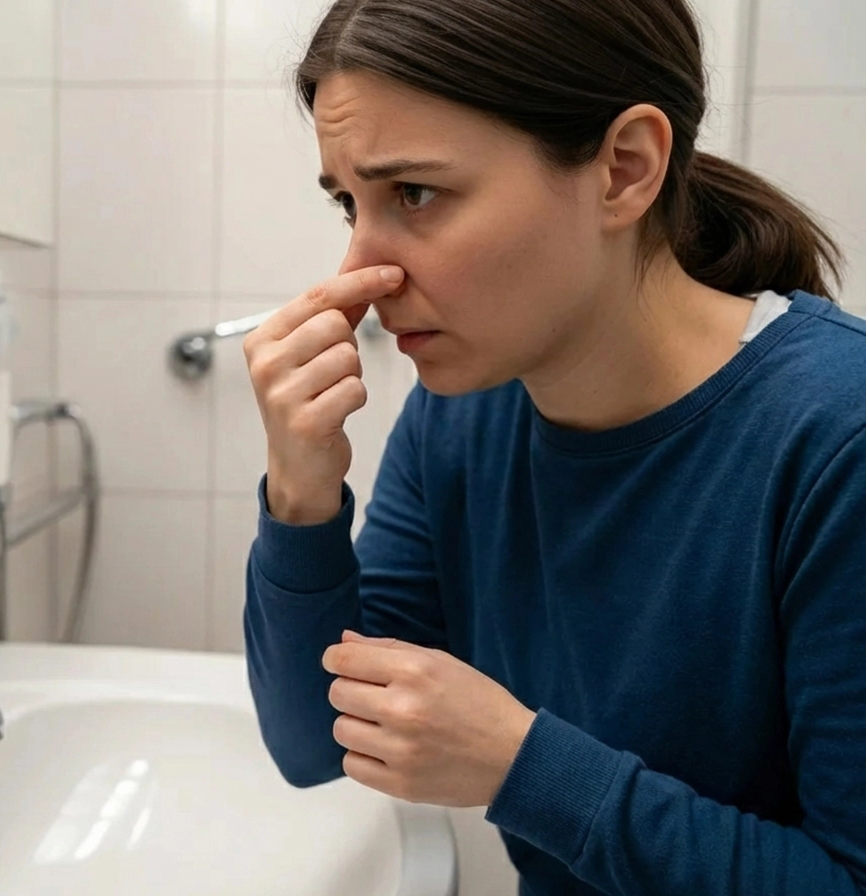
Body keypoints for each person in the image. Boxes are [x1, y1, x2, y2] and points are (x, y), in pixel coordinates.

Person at [242, 1, 866, 894]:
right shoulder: (460, 414)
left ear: (624, 169)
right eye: (351, 203)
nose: (358, 274)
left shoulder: (840, 436)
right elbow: (318, 744)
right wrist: (301, 500)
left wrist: (524, 769)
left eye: (414, 193)